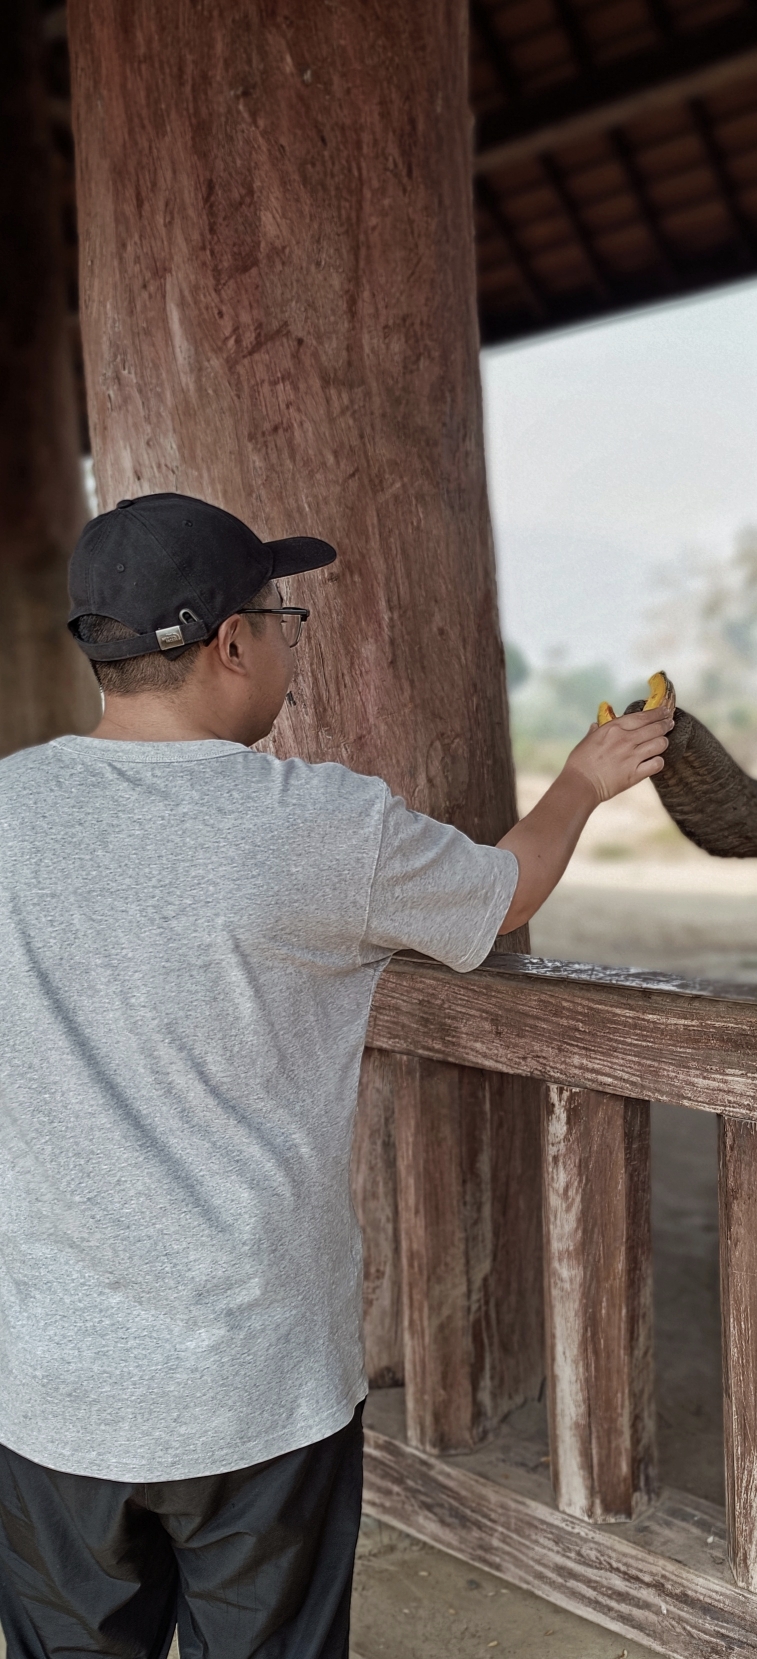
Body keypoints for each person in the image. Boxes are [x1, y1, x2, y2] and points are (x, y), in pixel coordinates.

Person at [0, 493, 672, 1659]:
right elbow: (500, 897)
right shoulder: (317, 825)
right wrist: (581, 782)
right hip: (256, 1386)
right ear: (230, 642)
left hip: (47, 1388)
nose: (284, 648)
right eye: (280, 618)